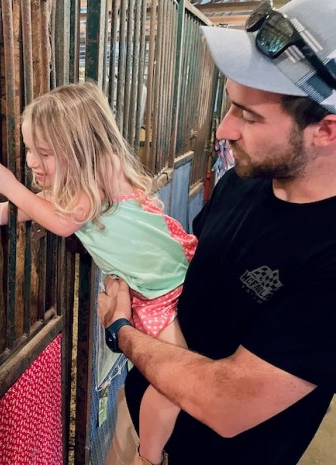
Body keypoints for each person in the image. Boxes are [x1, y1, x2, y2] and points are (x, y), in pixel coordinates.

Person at [96, 0, 336, 463]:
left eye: (249, 116)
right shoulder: (240, 183)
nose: (225, 130)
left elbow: (226, 404)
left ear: (326, 130)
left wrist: (120, 329)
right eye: (231, 106)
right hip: (145, 413)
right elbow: (184, 275)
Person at [0, 81, 197, 464]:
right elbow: (3, 213)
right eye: (30, 149)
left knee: (172, 385)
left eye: (43, 152)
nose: (31, 161)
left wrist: (11, 184)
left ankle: (147, 458)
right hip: (161, 288)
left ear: (80, 147)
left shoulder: (100, 174)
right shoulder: (74, 186)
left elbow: (62, 224)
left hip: (167, 294)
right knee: (171, 382)